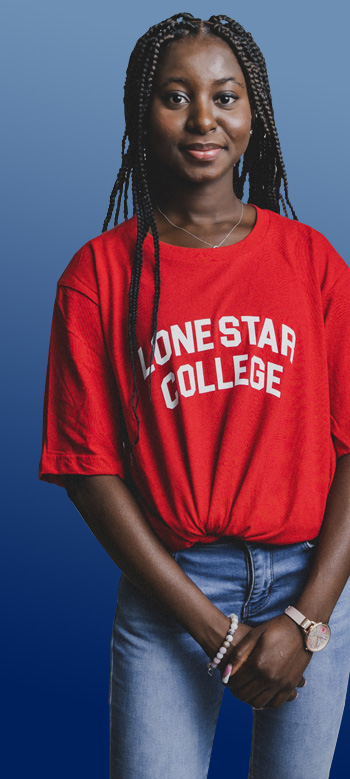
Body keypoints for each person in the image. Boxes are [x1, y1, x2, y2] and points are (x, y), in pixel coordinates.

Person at [39, 12, 350, 779]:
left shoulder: (311, 262)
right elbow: (86, 466)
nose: (204, 118)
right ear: (140, 114)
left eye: (226, 95)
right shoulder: (100, 275)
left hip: (311, 581)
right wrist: (209, 626)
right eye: (175, 96)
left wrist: (309, 616)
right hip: (171, 590)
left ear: (256, 115)